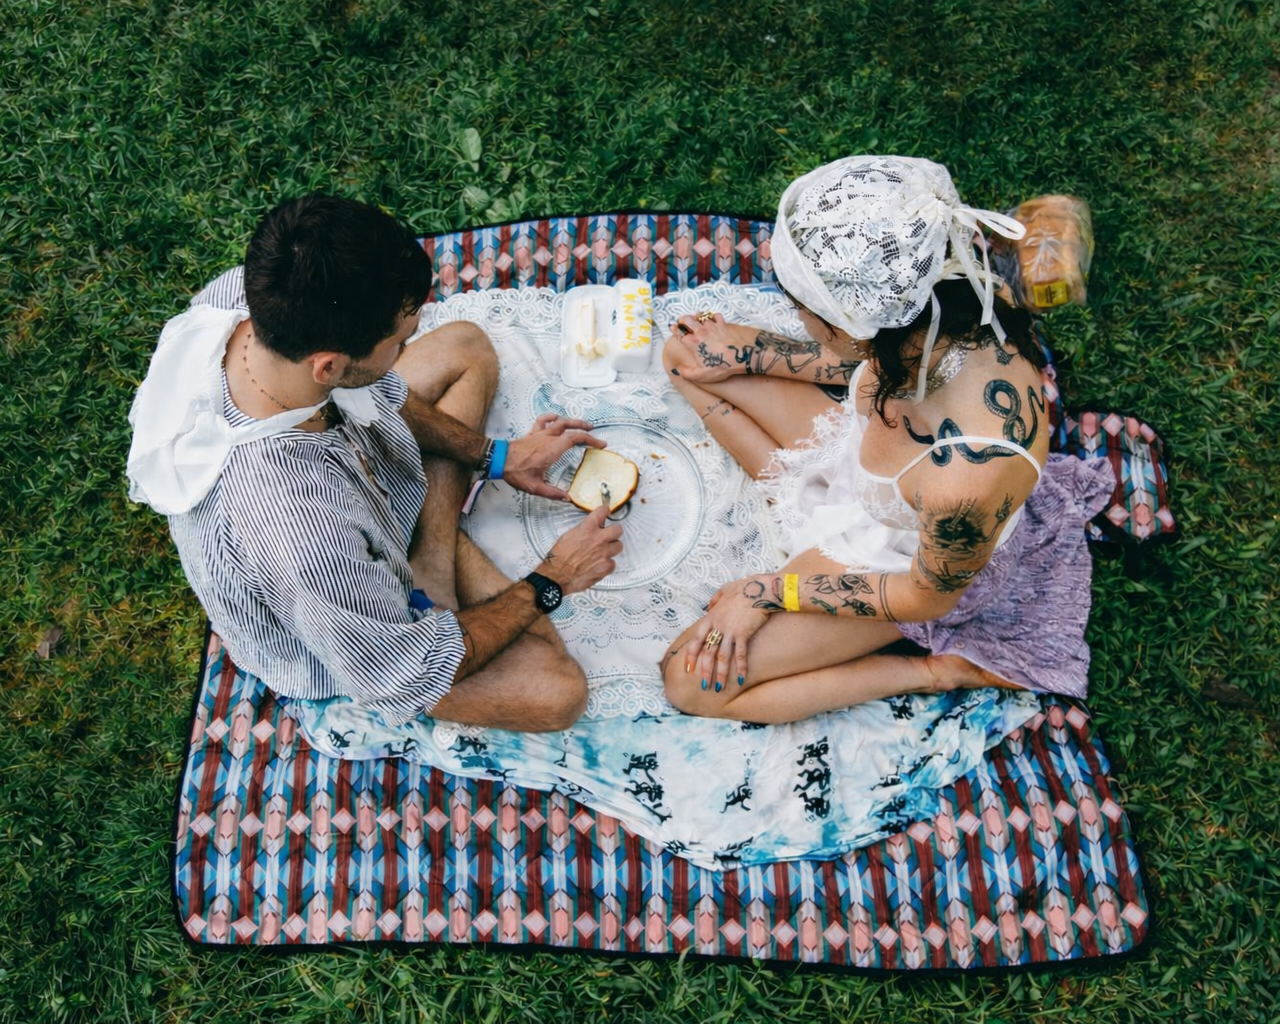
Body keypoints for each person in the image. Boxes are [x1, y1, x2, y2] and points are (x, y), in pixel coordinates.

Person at [127, 194, 623, 732]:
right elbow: (403, 671)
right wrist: (552, 579)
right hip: (346, 625)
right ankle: (427, 563)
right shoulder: (300, 535)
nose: (407, 346)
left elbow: (377, 388)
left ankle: (431, 557)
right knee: (557, 692)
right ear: (329, 365)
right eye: (399, 341)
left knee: (465, 345)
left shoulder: (252, 294)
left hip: (362, 494)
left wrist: (495, 455)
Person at [660, 155, 1112, 723]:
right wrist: (745, 355)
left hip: (894, 559)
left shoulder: (966, 483)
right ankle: (784, 484)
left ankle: (930, 670)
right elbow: (861, 367)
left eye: (802, 309)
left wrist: (768, 592)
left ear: (852, 325)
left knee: (690, 681)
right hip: (860, 467)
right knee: (685, 355)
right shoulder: (941, 295)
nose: (795, 319)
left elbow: (925, 596)